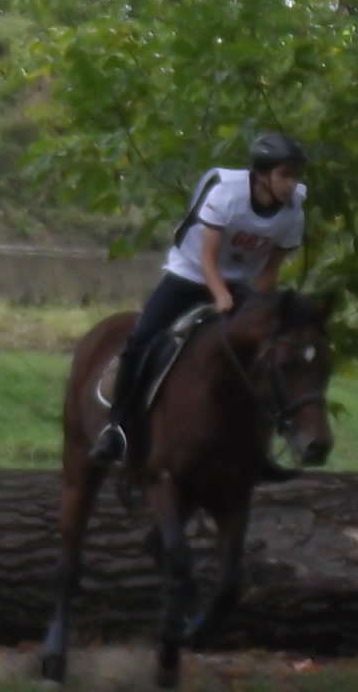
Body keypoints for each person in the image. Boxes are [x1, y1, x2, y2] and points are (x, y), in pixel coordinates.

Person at [90, 131, 308, 467]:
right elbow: (207, 258)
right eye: (285, 175)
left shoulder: (293, 212)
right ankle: (116, 428)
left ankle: (258, 446)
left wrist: (260, 307)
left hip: (244, 285)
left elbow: (269, 271)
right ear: (262, 174)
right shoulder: (227, 194)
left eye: (295, 176)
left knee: (268, 353)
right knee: (142, 339)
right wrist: (220, 296)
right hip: (190, 275)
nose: (291, 184)